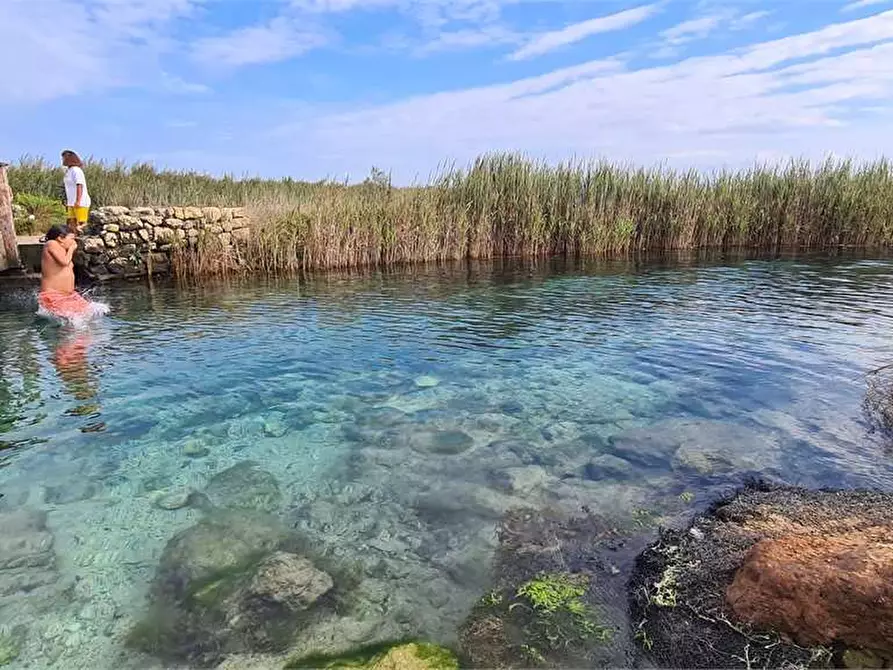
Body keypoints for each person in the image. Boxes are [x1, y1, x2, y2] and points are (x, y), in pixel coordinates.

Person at [37, 224, 94, 321]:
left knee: (90, 314)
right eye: (71, 239)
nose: (74, 242)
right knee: (73, 322)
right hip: (54, 295)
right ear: (60, 238)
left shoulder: (62, 250)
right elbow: (64, 262)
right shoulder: (51, 244)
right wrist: (71, 249)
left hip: (69, 295)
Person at [61, 150, 91, 234]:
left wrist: (78, 200)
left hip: (81, 201)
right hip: (71, 201)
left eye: (64, 158)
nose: (62, 160)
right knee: (71, 222)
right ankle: (74, 239)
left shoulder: (76, 170)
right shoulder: (69, 171)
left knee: (81, 223)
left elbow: (79, 185)